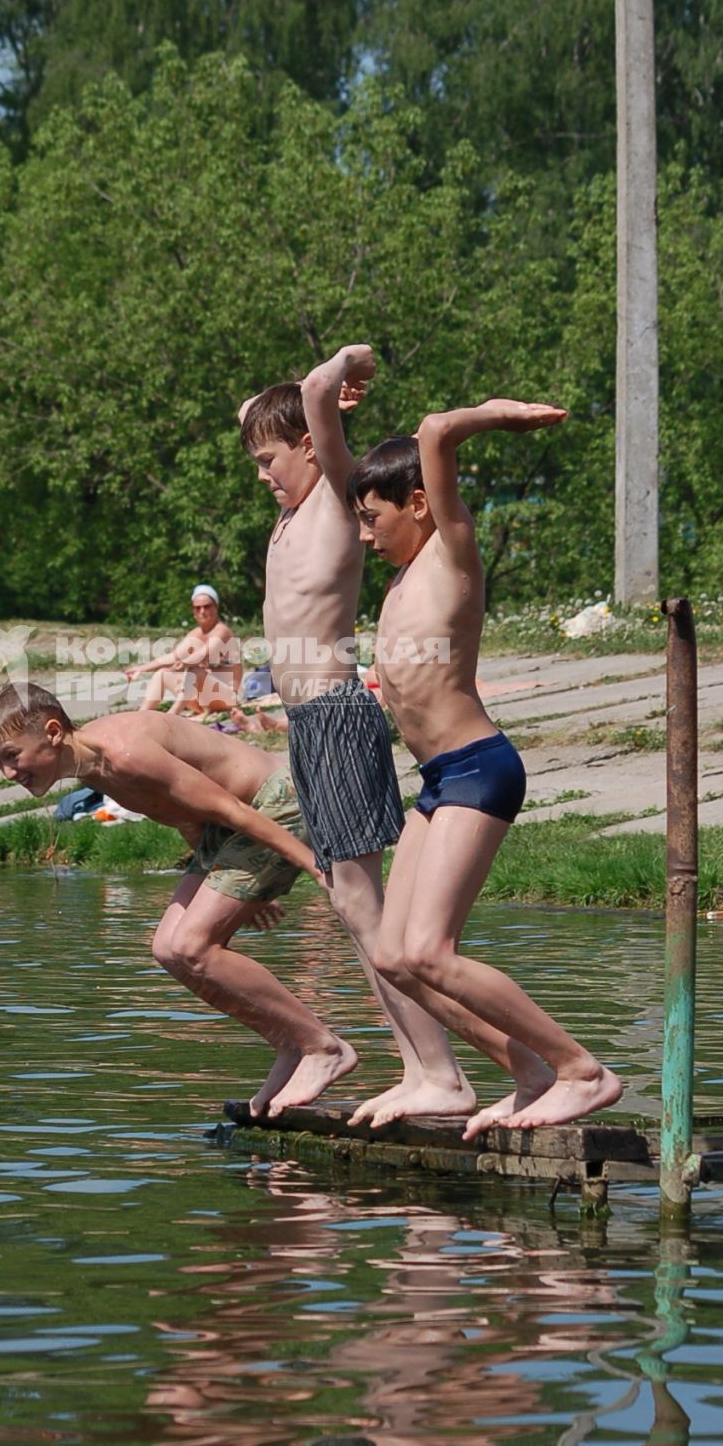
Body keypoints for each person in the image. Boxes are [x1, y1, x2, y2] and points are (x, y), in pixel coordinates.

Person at [348, 400, 623, 1135]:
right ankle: (529, 1073)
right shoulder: (402, 581)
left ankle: (582, 1070)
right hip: (438, 783)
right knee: (395, 956)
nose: (364, 533)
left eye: (373, 517)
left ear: (417, 503)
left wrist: (501, 417)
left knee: (430, 951)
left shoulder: (450, 551)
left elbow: (435, 430)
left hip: (479, 768)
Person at [239, 348, 473, 1125]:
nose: (262, 475)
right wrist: (266, 417)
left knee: (362, 905)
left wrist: (345, 368)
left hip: (338, 716)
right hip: (305, 725)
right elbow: (259, 408)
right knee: (350, 905)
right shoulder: (285, 512)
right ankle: (418, 1067)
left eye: (271, 458)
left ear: (312, 442)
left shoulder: (337, 502)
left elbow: (306, 392)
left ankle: (437, 1071)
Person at [0, 680, 357, 1117]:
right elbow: (186, 818)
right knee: (167, 948)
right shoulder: (95, 767)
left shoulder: (125, 753)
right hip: (225, 832)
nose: (8, 773)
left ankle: (324, 1047)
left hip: (272, 804)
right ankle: (289, 1045)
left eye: (11, 756)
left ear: (53, 732)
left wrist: (315, 867)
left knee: (192, 945)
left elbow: (231, 810)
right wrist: (244, 887)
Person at [123, 584, 242, 716]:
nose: (202, 611)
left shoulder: (222, 631)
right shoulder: (195, 633)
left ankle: (172, 715)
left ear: (216, 607)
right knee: (162, 674)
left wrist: (185, 662)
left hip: (227, 698)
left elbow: (204, 653)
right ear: (193, 611)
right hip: (201, 701)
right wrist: (141, 669)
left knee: (194, 671)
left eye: (207, 606)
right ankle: (141, 715)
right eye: (197, 608)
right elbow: (173, 656)